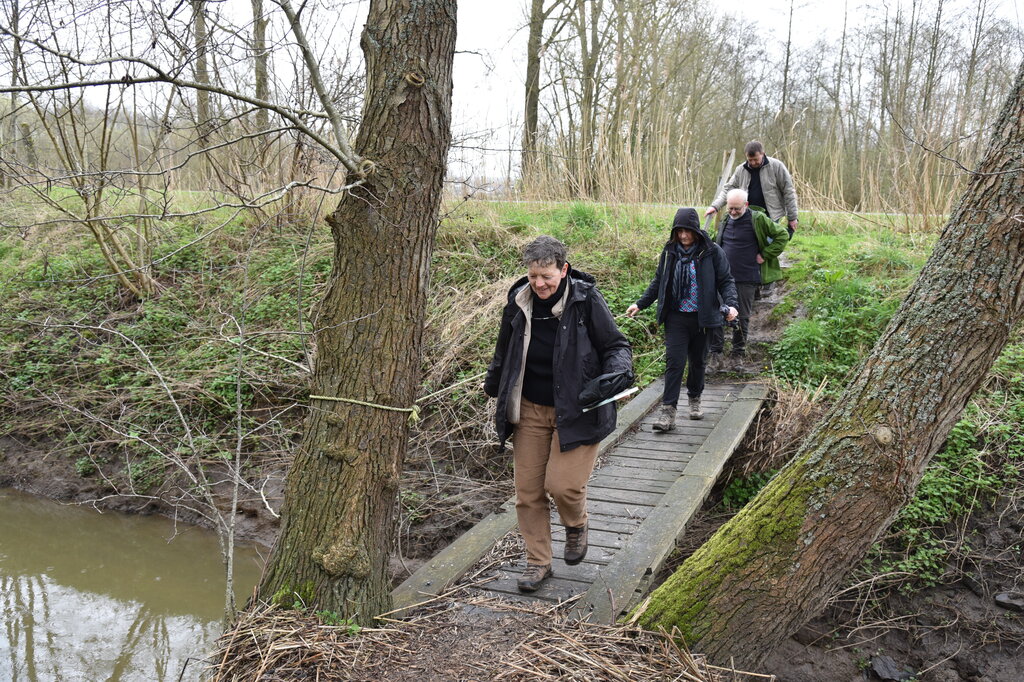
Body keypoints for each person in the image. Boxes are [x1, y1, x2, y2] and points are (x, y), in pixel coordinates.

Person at [484, 236, 633, 593]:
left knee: (562, 485)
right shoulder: (519, 300)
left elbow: (616, 345)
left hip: (577, 408)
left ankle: (577, 522)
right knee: (528, 493)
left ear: (563, 270)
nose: (539, 284)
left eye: (547, 276)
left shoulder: (584, 299)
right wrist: (494, 385)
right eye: (534, 276)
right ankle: (538, 563)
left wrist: (614, 375)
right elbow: (505, 350)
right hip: (530, 411)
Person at [625, 209, 737, 431]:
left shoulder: (712, 252)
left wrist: (732, 304)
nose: (684, 236)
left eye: (688, 231)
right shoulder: (670, 253)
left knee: (697, 363)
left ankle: (694, 398)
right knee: (674, 363)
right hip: (676, 317)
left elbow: (726, 281)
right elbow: (659, 281)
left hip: (703, 318)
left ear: (696, 230)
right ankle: (668, 413)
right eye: (680, 231)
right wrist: (640, 303)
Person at [707, 188, 790, 367]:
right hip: (722, 277)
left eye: (737, 208)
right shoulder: (726, 219)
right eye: (730, 208)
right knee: (716, 313)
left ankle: (738, 354)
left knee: (742, 316)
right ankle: (716, 353)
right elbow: (720, 242)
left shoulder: (758, 219)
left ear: (746, 205)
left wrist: (765, 254)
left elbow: (782, 235)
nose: (733, 212)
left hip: (747, 276)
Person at [706, 140, 799, 238]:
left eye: (756, 159)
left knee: (768, 244)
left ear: (762, 154)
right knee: (749, 244)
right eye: (750, 160)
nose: (753, 162)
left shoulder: (777, 166)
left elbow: (788, 192)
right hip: (747, 215)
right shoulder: (741, 170)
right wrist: (715, 206)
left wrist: (792, 218)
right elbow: (728, 189)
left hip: (771, 215)